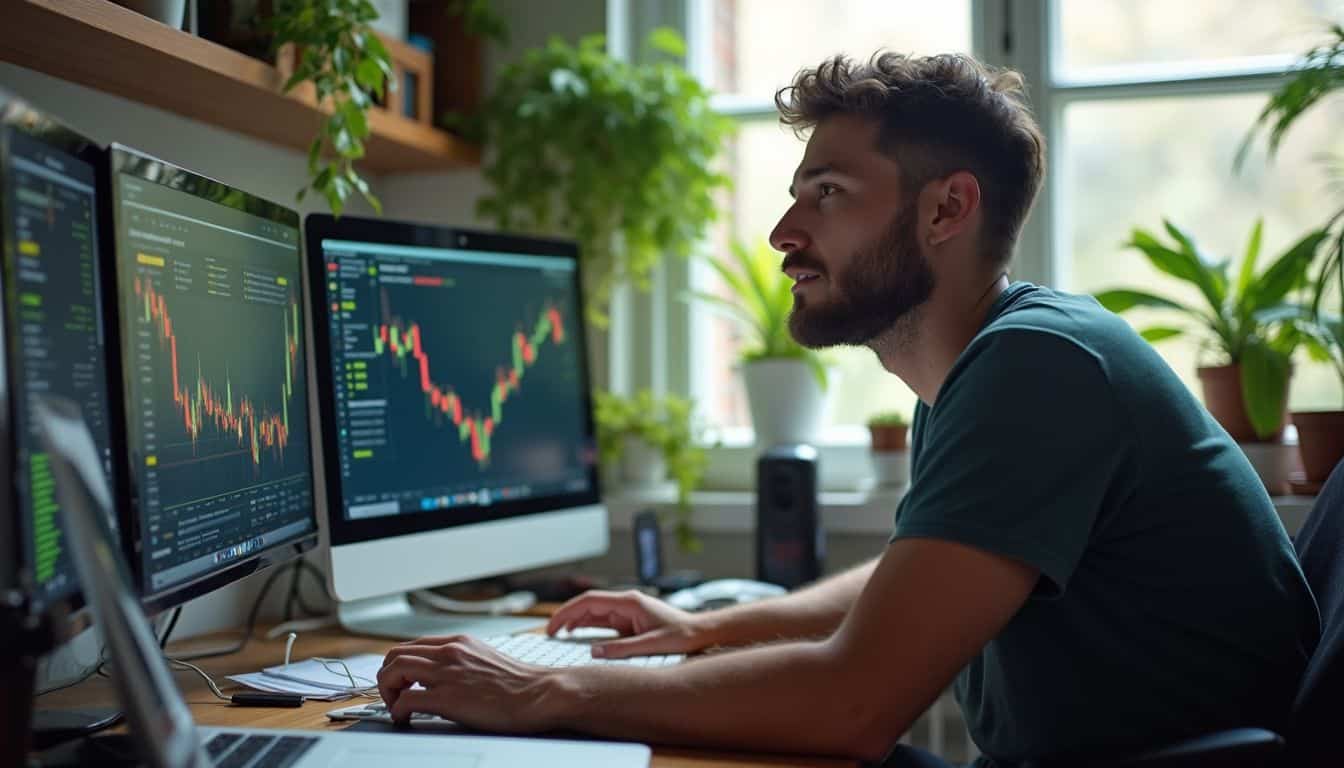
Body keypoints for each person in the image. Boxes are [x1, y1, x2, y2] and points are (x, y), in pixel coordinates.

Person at [376, 51, 1320, 766]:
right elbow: (917, 581)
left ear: (948, 209)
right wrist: (703, 627)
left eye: (826, 195)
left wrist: (547, 690)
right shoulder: (987, 367)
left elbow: (854, 705)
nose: (785, 234)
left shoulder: (1039, 369)